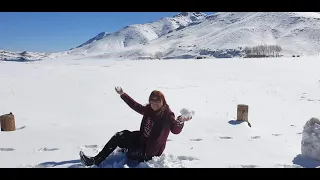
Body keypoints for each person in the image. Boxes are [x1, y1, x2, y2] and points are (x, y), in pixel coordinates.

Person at [80, 86, 192, 166]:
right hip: (141, 139)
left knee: (131, 154)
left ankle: (128, 151)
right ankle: (95, 160)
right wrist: (123, 95)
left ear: (163, 101)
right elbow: (135, 106)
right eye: (152, 101)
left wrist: (180, 122)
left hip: (151, 149)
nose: (154, 104)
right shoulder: (149, 109)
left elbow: (175, 129)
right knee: (120, 136)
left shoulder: (167, 114)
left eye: (157, 101)